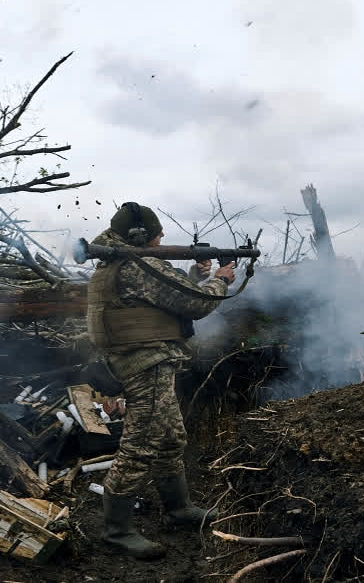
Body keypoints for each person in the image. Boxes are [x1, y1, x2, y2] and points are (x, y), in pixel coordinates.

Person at [86, 201, 236, 559]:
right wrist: (220, 280)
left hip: (141, 360)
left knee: (170, 436)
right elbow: (196, 304)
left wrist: (196, 278)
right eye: (157, 232)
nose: (162, 236)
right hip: (146, 364)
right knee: (141, 445)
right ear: (139, 235)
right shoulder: (140, 265)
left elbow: (161, 296)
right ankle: (117, 530)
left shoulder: (117, 263)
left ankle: (178, 509)